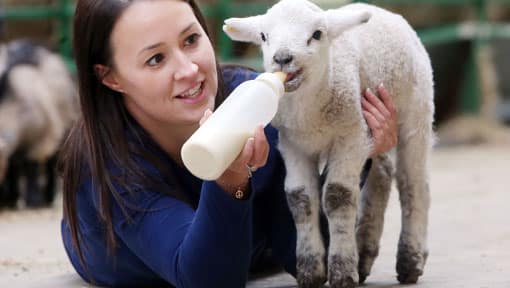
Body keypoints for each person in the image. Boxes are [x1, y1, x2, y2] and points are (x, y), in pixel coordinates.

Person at [60, 0, 398, 287]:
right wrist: (230, 182)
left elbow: (303, 253)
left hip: (250, 246)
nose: (189, 69)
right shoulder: (109, 162)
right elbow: (207, 279)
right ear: (111, 77)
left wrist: (357, 154)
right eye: (156, 60)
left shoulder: (258, 103)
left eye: (191, 39)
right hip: (149, 263)